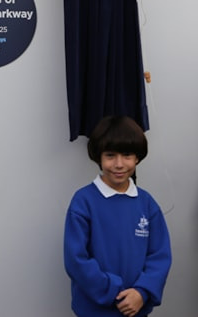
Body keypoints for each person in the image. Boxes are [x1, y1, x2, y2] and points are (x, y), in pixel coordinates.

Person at [64, 115, 171, 317]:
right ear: (98, 157)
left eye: (127, 155)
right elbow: (76, 259)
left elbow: (160, 255)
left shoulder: (147, 204)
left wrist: (142, 292)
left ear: (137, 157)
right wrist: (113, 291)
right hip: (93, 311)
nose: (119, 164)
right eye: (110, 155)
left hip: (136, 309)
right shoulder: (83, 201)